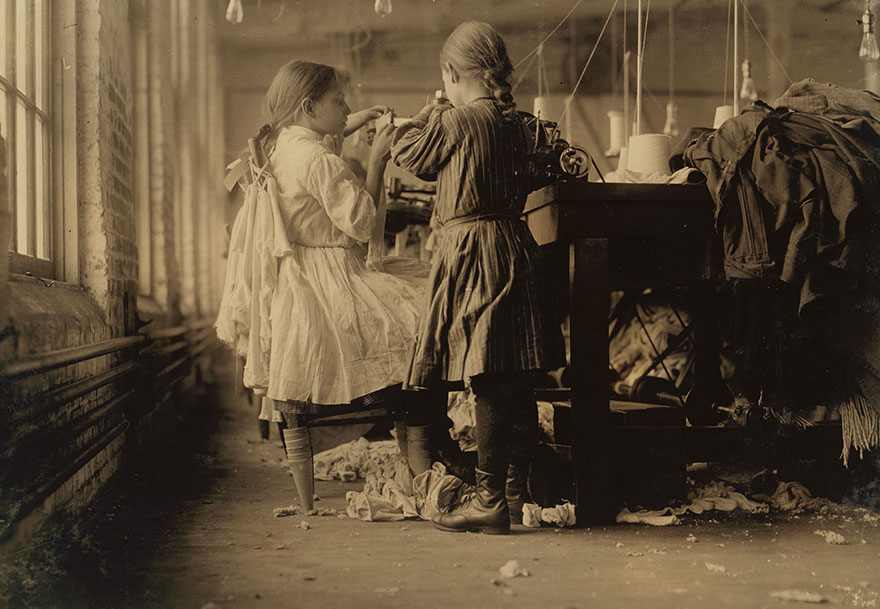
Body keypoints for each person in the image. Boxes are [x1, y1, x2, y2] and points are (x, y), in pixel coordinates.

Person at [216, 60, 436, 508]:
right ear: (308, 106)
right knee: (426, 312)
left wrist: (361, 120)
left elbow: (323, 139)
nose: (347, 107)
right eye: (339, 102)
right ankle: (431, 457)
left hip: (297, 282)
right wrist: (378, 160)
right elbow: (364, 224)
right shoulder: (318, 160)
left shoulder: (281, 145)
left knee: (419, 303)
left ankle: (317, 494)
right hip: (329, 283)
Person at [390, 21, 565, 535]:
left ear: (450, 72)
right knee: (513, 377)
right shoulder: (523, 124)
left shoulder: (457, 120)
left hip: (472, 249)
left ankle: (489, 501)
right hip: (514, 244)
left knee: (488, 375)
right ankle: (510, 495)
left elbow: (407, 156)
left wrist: (428, 112)